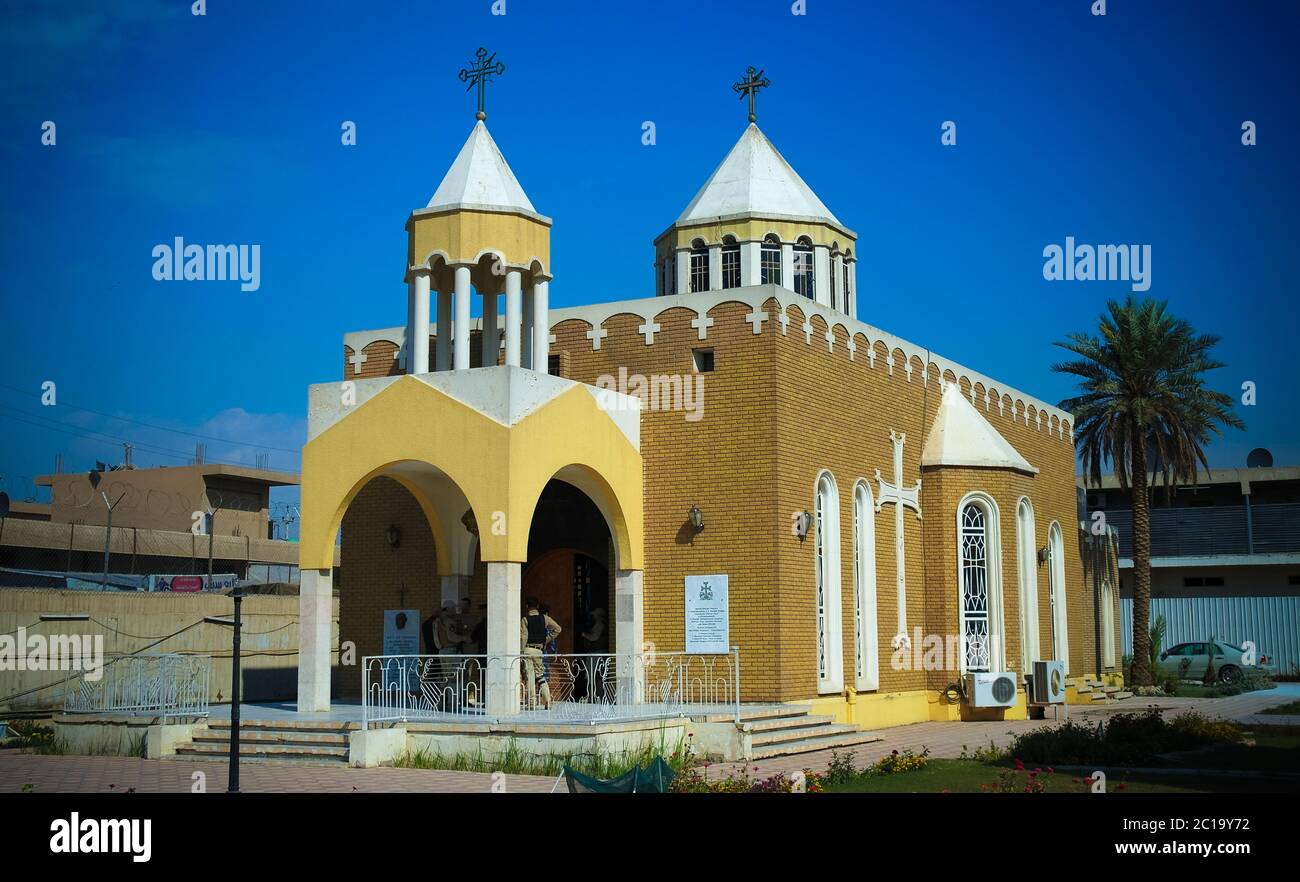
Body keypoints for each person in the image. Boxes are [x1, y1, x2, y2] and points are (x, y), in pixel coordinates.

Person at [520, 598, 560, 710]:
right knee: (540, 675)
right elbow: (558, 629)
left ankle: (531, 703)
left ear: (527, 606)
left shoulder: (525, 619)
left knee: (530, 677)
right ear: (537, 606)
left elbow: (524, 637)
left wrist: (521, 652)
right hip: (539, 650)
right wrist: (546, 640)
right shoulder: (545, 618)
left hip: (528, 649)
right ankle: (548, 701)